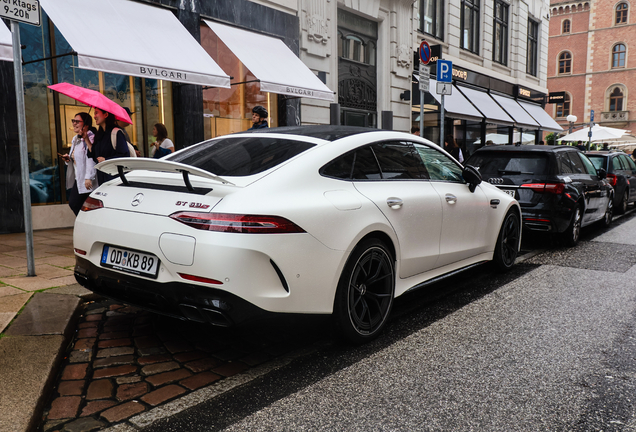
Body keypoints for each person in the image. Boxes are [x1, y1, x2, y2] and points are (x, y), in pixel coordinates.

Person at [59, 113, 97, 215]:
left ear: (86, 124)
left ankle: (86, 224)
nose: (74, 123)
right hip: (79, 178)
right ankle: (86, 225)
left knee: (75, 203)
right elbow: (77, 158)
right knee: (77, 204)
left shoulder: (91, 138)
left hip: (88, 180)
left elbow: (91, 158)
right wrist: (69, 159)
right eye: (73, 121)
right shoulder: (76, 139)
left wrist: (89, 177)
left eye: (77, 121)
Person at [87, 108, 130, 185]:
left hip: (115, 179)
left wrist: (106, 160)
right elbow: (94, 155)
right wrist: (85, 138)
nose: (94, 116)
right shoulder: (99, 135)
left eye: (96, 113)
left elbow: (125, 156)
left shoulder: (116, 133)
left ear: (106, 115)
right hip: (102, 179)